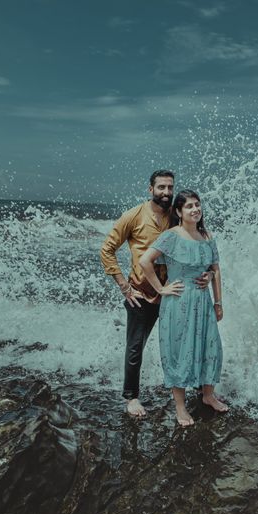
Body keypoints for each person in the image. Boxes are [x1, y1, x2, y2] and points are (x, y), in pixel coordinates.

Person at [100, 171, 213, 417]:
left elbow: (195, 245)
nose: (166, 193)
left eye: (170, 188)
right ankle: (131, 397)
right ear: (150, 189)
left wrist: (207, 274)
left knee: (185, 344)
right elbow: (106, 250)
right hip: (143, 294)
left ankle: (197, 392)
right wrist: (124, 286)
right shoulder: (133, 216)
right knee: (135, 347)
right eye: (161, 187)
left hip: (177, 295)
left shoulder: (176, 215)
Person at [139, 190, 227, 427]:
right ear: (178, 212)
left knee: (211, 347)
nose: (195, 209)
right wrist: (161, 289)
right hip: (179, 301)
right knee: (179, 351)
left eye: (197, 205)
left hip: (204, 301)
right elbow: (144, 261)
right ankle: (180, 407)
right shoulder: (171, 236)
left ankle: (208, 395)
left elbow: (215, 269)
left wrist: (218, 301)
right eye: (189, 206)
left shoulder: (206, 235)